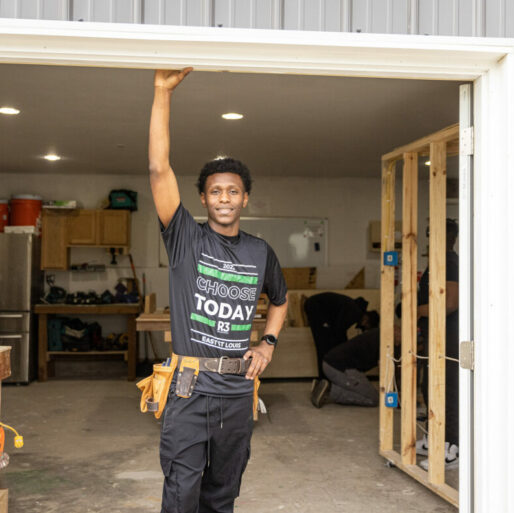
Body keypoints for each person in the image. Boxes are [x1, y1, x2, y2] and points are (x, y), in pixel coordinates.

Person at [149, 67, 289, 513]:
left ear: (245, 198)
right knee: (181, 493)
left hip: (236, 390)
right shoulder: (186, 238)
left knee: (222, 496)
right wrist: (161, 93)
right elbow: (158, 167)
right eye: (215, 191)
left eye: (233, 190)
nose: (224, 197)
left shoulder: (260, 252)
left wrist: (267, 343)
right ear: (204, 199)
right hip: (188, 388)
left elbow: (281, 301)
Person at [416, 218, 460, 469]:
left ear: (449, 238)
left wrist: (417, 310)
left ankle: (451, 447)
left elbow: (450, 303)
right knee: (428, 386)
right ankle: (435, 437)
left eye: (435, 234)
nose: (430, 239)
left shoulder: (449, 262)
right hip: (435, 335)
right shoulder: (436, 263)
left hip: (449, 337)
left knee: (448, 390)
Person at [304, 292, 378, 379]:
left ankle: (325, 377)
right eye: (367, 326)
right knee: (323, 347)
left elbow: (339, 329)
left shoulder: (354, 309)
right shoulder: (355, 313)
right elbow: (339, 330)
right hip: (316, 307)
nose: (364, 327)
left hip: (314, 306)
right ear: (366, 319)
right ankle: (325, 378)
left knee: (325, 346)